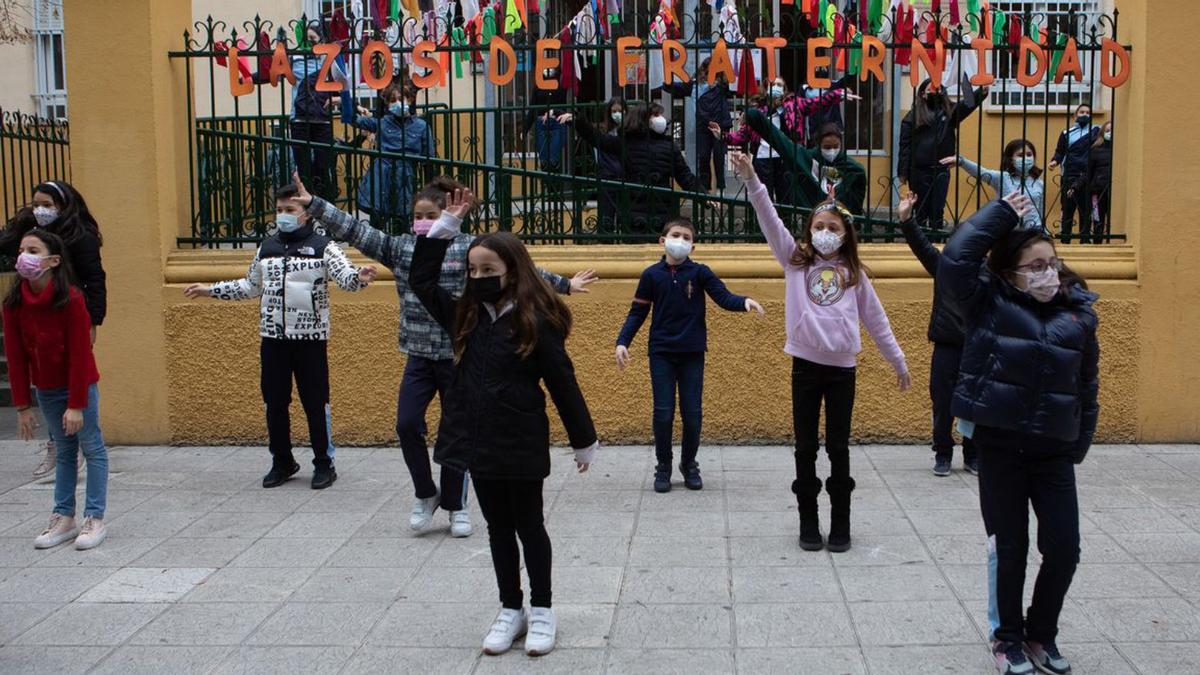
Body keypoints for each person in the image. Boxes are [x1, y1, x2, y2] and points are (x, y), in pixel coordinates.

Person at [292, 174, 596, 535]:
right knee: (407, 424)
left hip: (460, 355)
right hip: (419, 354)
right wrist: (314, 204)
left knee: (458, 431)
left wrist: (565, 284)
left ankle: (456, 505)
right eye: (418, 215)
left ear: (448, 214)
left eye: (431, 215)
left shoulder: (469, 250)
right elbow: (356, 230)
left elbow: (519, 269)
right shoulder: (401, 249)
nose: (423, 221)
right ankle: (426, 493)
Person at [410, 188, 599, 658]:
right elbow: (420, 277)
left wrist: (583, 441)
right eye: (473, 271)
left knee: (529, 526)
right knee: (496, 527)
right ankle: (510, 608)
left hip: (519, 439)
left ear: (513, 272)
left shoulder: (537, 319)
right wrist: (446, 227)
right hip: (475, 438)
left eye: (489, 271)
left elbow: (563, 382)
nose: (479, 278)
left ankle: (543, 610)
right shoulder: (465, 315)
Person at [938, 191, 1099, 675]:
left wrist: (1080, 441)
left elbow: (1087, 384)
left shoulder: (1079, 314)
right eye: (1034, 266)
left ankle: (1040, 634)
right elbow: (956, 261)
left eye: (1051, 263)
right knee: (1010, 548)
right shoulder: (988, 304)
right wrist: (1004, 213)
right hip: (1002, 447)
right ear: (1011, 274)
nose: (1047, 273)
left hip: (1053, 450)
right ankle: (1007, 639)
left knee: (1065, 548)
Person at [732, 150, 910, 553]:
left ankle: (841, 524)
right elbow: (770, 221)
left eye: (833, 226)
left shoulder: (854, 274)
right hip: (805, 367)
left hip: (842, 371)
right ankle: (808, 521)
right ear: (809, 230)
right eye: (819, 225)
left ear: (846, 234)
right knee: (806, 447)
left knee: (838, 448)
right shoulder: (795, 261)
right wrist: (752, 180)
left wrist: (898, 360)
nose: (825, 232)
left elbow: (877, 321)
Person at [184, 184, 376, 490]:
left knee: (315, 402)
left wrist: (360, 279)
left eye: (290, 210)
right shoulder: (267, 247)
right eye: (280, 210)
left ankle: (324, 464)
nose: (283, 216)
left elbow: (346, 279)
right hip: (273, 338)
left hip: (310, 340)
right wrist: (210, 290)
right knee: (274, 402)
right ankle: (282, 461)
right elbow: (250, 286)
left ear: (306, 214)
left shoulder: (324, 246)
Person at [615, 217, 764, 493]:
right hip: (661, 352)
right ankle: (664, 466)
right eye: (676, 235)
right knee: (663, 413)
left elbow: (723, 297)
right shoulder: (651, 275)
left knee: (692, 413)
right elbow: (637, 313)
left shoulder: (700, 273)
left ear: (693, 246)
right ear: (663, 240)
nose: (681, 241)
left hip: (692, 352)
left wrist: (744, 302)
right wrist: (622, 341)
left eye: (687, 237)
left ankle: (689, 463)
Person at [4, 229, 109, 551]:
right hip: (47, 388)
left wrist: (77, 404)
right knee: (64, 452)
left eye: (33, 250)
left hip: (79, 386)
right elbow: (16, 356)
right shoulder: (15, 302)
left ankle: (95, 517)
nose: (25, 256)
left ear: (53, 260)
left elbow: (80, 354)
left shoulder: (71, 299)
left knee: (92, 448)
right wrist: (22, 405)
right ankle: (64, 517)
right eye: (22, 249)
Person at [1, 180, 106, 480]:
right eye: (36, 204)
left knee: (77, 375)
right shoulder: (31, 235)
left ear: (62, 205)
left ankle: (82, 446)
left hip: (70, 312)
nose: (40, 210)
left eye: (47, 205)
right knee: (49, 382)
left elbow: (95, 279)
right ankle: (57, 446)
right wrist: (23, 222)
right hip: (38, 314)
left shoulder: (80, 237)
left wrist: (94, 321)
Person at [897, 191, 977, 476]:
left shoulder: (988, 273)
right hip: (946, 346)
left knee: (974, 403)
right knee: (943, 403)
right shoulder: (943, 266)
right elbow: (921, 246)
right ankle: (943, 453)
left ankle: (973, 454)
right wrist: (907, 219)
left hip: (976, 348)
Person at [558, 103, 703, 236]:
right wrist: (578, 122)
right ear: (644, 119)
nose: (661, 119)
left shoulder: (669, 146)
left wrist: (702, 194)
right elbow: (598, 139)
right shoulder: (627, 143)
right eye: (656, 115)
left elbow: (684, 176)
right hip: (634, 212)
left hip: (661, 211)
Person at [898, 79, 988, 229]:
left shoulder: (950, 112)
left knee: (937, 210)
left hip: (941, 168)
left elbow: (968, 104)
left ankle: (937, 242)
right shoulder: (912, 116)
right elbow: (905, 146)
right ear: (922, 94)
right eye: (931, 89)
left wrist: (979, 91)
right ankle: (919, 240)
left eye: (939, 89)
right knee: (920, 211)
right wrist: (903, 172)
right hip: (918, 170)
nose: (936, 92)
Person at [743, 112, 868, 215]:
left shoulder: (852, 168)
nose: (832, 150)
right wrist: (755, 117)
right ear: (818, 145)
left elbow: (856, 196)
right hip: (813, 220)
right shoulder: (807, 159)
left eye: (836, 146)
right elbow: (782, 142)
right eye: (827, 147)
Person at [351, 80, 436, 230]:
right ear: (388, 105)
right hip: (382, 172)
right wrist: (347, 99)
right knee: (377, 217)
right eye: (392, 101)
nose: (397, 103)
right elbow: (354, 121)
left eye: (400, 99)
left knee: (402, 217)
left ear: (409, 100)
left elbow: (428, 157)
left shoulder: (421, 126)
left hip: (405, 174)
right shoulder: (382, 123)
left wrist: (429, 190)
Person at [290, 25, 352, 201]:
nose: (309, 45)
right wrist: (247, 78)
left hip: (322, 121)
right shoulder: (295, 59)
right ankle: (307, 211)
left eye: (312, 40)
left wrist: (337, 100)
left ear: (322, 41)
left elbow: (344, 87)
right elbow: (272, 74)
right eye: (306, 40)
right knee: (303, 169)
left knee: (323, 167)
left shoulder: (330, 60)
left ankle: (326, 211)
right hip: (299, 120)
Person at [942, 139, 1047, 232]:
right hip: (1010, 231)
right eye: (1020, 155)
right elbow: (982, 172)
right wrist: (962, 161)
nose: (1026, 158)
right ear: (1011, 159)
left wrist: (1044, 229)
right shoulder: (1003, 178)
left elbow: (1040, 209)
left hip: (1034, 231)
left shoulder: (1039, 183)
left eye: (1029, 154)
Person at [666, 58, 733, 194]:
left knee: (719, 157)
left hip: (720, 126)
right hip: (703, 125)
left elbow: (735, 83)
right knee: (703, 157)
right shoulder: (695, 85)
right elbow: (674, 87)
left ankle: (721, 189)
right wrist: (662, 79)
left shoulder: (723, 85)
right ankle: (705, 189)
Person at [1049, 103, 1099, 244]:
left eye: (1088, 113)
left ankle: (1084, 240)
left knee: (1086, 209)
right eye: (1081, 112)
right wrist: (1054, 162)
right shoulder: (1067, 133)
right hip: (1069, 175)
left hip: (1087, 176)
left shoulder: (1096, 131)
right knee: (1068, 208)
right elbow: (1060, 151)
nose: (1085, 115)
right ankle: (1066, 239)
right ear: (1075, 115)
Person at [525, 67, 570, 172]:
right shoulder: (539, 86)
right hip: (541, 121)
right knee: (544, 157)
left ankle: (554, 166)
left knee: (554, 157)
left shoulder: (561, 85)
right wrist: (525, 128)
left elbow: (565, 105)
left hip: (557, 121)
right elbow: (532, 108)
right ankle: (546, 167)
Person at [1077, 121, 1113, 244]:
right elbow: (1088, 172)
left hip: (1115, 191)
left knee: (1115, 221)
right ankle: (1097, 244)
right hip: (1098, 190)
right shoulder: (1095, 150)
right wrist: (1076, 185)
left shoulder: (1122, 150)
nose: (1110, 133)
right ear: (1102, 134)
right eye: (1107, 131)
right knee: (1098, 220)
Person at [595, 96, 626, 235]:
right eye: (614, 111)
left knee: (624, 212)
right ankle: (606, 237)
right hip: (607, 175)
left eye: (620, 110)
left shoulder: (630, 129)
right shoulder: (603, 129)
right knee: (606, 213)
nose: (617, 114)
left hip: (625, 176)